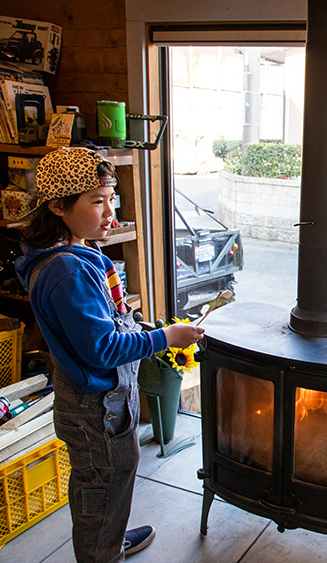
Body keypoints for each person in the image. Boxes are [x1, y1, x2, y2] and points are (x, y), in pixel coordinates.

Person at [14, 147, 204, 562]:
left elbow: (98, 326)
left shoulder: (77, 252)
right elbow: (103, 349)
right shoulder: (67, 270)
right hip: (95, 405)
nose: (109, 212)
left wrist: (128, 320)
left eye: (111, 199)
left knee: (111, 477)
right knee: (101, 483)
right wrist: (165, 337)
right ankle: (103, 552)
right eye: (97, 201)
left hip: (102, 399)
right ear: (58, 205)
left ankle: (109, 539)